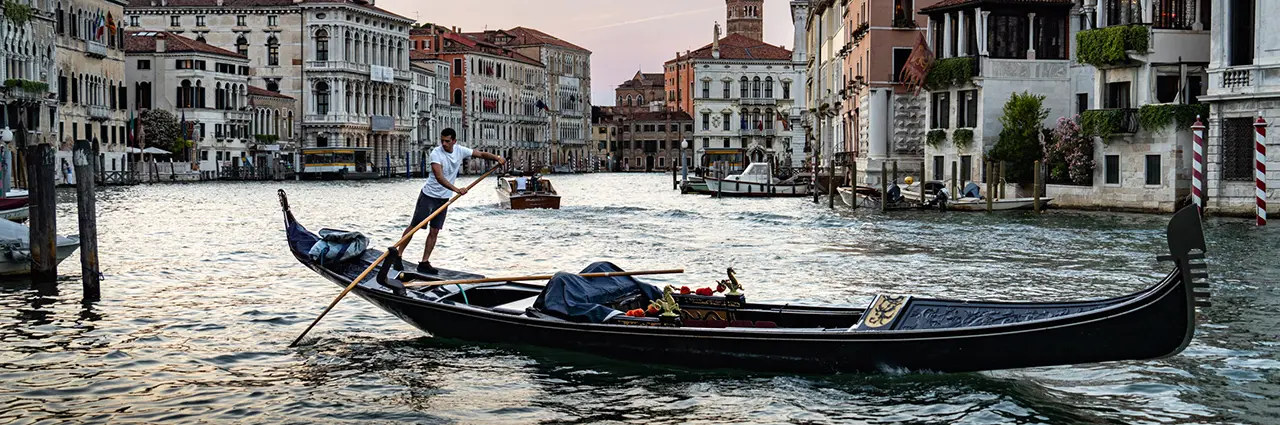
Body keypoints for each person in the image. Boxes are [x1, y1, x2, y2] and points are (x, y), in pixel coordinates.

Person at [405, 128, 504, 274]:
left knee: (434, 231)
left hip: (444, 199)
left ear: (454, 141)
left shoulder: (460, 150)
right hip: (429, 196)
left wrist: (497, 158)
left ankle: (424, 262)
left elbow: (481, 154)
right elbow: (439, 177)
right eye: (442, 141)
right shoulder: (436, 154)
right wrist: (457, 189)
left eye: (447, 141)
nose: (444, 144)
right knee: (415, 226)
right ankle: (398, 255)